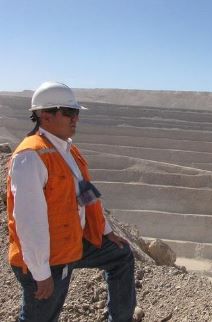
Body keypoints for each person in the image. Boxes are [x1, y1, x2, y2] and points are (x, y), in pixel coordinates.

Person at [6, 81, 136, 322]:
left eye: (75, 113)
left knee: (121, 255)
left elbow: (86, 193)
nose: (74, 119)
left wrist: (106, 231)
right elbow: (28, 221)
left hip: (71, 243)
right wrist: (41, 273)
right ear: (45, 115)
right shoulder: (30, 157)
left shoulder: (67, 150)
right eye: (68, 113)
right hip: (48, 257)